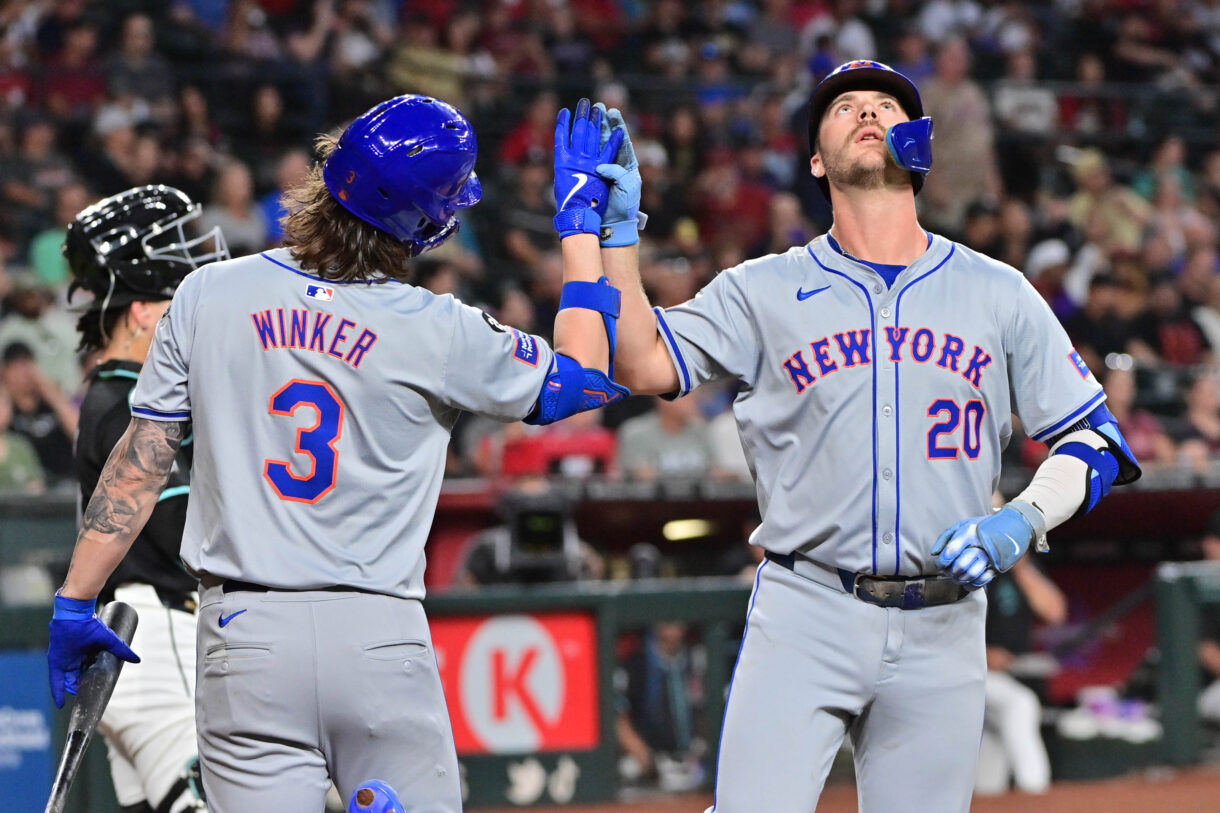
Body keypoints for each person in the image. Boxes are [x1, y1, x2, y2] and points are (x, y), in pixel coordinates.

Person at [579, 61, 1141, 811]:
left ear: (915, 141)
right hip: (806, 605)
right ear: (816, 158)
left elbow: (1095, 439)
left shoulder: (998, 291)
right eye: (845, 108)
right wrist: (615, 242)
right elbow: (642, 360)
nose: (869, 113)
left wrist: (1024, 518)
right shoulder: (762, 289)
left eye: (885, 105)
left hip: (945, 619)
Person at [45, 94, 627, 811]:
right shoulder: (438, 326)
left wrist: (75, 600)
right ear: (435, 222)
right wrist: (578, 228)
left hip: (243, 635)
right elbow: (585, 377)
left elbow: (140, 463)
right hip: (378, 634)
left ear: (332, 168)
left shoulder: (207, 294)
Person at [976, 555, 1067, 795]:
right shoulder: (972, 564)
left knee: (989, 771)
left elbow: (1054, 611)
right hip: (967, 671)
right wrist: (981, 654)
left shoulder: (1022, 568)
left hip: (1007, 675)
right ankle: (1035, 792)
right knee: (1020, 704)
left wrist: (1021, 566)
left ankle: (990, 798)